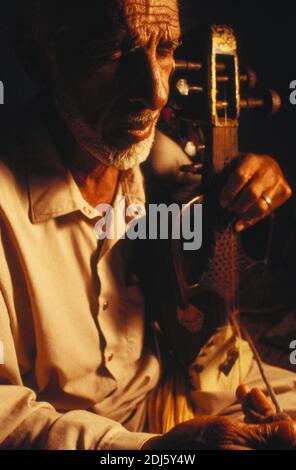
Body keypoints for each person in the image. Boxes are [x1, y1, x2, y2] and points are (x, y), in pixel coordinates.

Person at [0, 0, 295, 450]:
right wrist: (152, 452)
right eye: (114, 53)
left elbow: (206, 315)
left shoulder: (162, 166)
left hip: (175, 393)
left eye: (165, 50)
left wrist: (253, 186)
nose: (157, 93)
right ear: (40, 57)